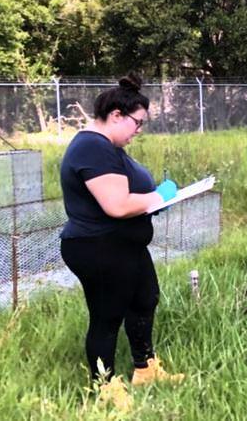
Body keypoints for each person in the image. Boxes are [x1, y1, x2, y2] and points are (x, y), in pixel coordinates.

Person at [59, 74, 184, 388]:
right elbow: (116, 205)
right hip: (98, 247)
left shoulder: (106, 147)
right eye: (137, 123)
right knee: (107, 318)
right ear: (116, 115)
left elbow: (129, 195)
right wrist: (157, 197)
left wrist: (154, 201)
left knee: (145, 299)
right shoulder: (92, 147)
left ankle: (145, 369)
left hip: (124, 245)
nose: (138, 131)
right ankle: (105, 388)